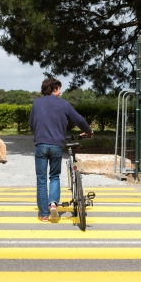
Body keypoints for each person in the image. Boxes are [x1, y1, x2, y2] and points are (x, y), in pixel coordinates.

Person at [29, 78, 94, 222]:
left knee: (41, 179)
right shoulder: (64, 104)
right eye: (59, 88)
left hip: (40, 145)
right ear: (55, 88)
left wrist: (40, 134)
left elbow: (32, 124)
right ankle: (53, 204)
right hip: (56, 145)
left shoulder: (37, 103)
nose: (60, 92)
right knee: (54, 176)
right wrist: (89, 131)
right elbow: (79, 120)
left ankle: (44, 214)